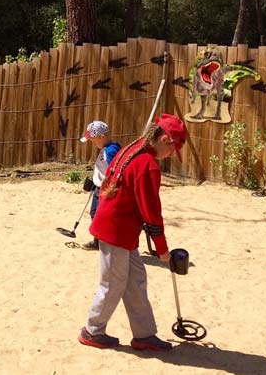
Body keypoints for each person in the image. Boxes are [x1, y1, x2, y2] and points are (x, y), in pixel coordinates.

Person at [78, 114, 187, 352]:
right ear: (165, 139)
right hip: (115, 230)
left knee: (135, 281)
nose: (171, 155)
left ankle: (144, 334)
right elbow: (151, 212)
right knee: (112, 284)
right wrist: (162, 250)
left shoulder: (134, 147)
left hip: (122, 230)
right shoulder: (147, 164)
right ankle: (92, 331)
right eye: (173, 149)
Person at [79, 121, 121, 251]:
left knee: (100, 215)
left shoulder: (111, 151)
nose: (92, 143)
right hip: (99, 187)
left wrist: (110, 187)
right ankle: (98, 241)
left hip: (106, 190)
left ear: (102, 137)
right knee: (95, 213)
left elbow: (116, 171)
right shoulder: (106, 148)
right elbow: (103, 169)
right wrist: (94, 180)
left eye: (93, 140)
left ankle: (105, 242)